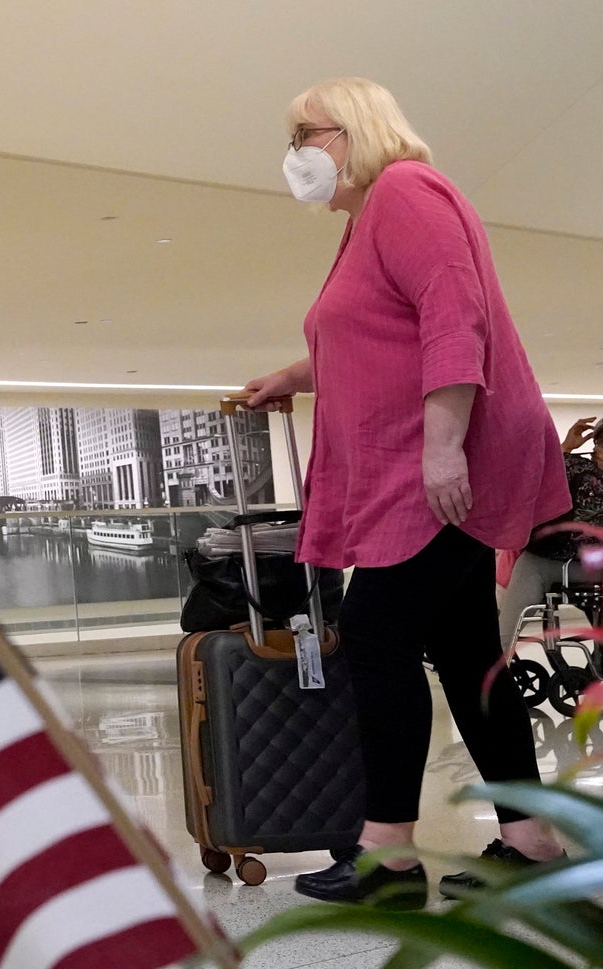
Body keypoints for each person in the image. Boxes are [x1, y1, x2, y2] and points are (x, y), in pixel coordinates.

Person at [243, 77, 571, 908]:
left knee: (375, 631)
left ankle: (385, 855)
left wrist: (442, 448)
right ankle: (529, 839)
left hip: (441, 464)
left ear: (351, 131)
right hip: (415, 465)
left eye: (305, 135)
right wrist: (290, 375)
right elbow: (371, 338)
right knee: (465, 654)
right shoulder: (364, 225)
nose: (295, 156)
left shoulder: (406, 190)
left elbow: (452, 315)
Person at [497, 416, 603, 653]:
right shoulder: (573, 466)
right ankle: (492, 668)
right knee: (506, 629)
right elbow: (533, 476)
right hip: (546, 559)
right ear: (596, 445)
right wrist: (565, 448)